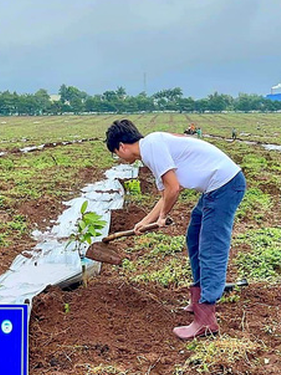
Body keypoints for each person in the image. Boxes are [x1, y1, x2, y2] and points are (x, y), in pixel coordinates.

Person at [105, 119, 246, 339]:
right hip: (214, 189)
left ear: (122, 147)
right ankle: (198, 297)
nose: (119, 158)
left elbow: (174, 188)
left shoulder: (151, 147)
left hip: (224, 185)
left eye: (116, 154)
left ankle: (206, 318)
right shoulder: (151, 147)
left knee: (210, 247)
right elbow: (165, 196)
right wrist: (145, 221)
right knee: (194, 237)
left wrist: (163, 217)